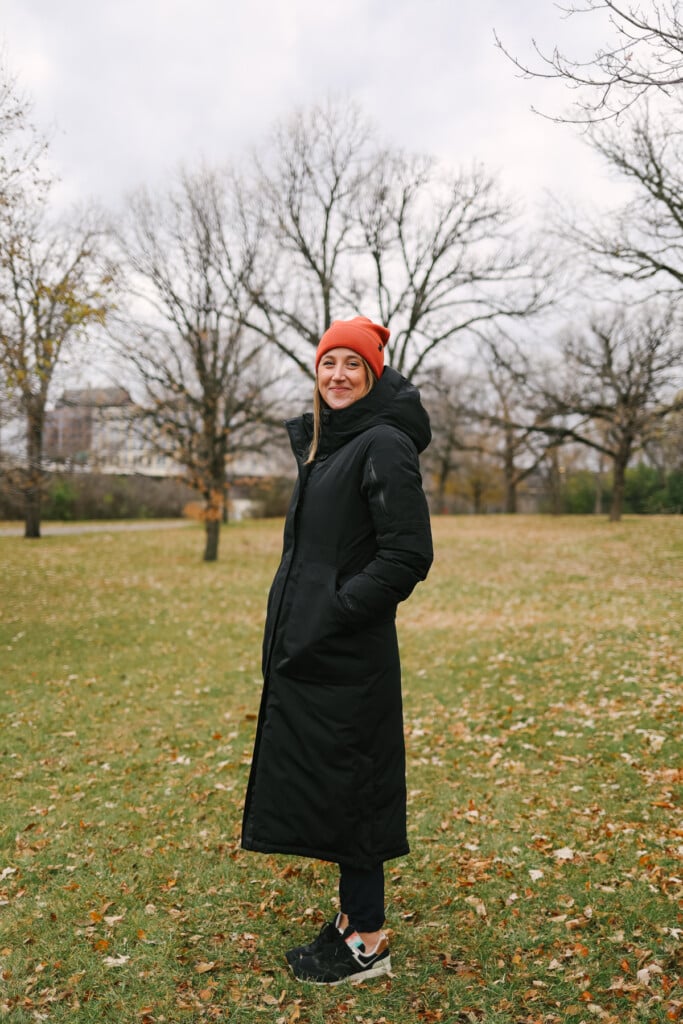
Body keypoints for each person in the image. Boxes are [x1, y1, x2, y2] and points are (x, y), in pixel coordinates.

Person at [241, 316, 433, 984]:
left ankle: (367, 944)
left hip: (349, 655)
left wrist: (336, 611)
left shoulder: (381, 443)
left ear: (373, 373)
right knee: (337, 788)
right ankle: (353, 919)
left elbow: (407, 553)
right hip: (314, 654)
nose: (339, 375)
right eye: (329, 363)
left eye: (354, 364)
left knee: (356, 791)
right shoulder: (329, 443)